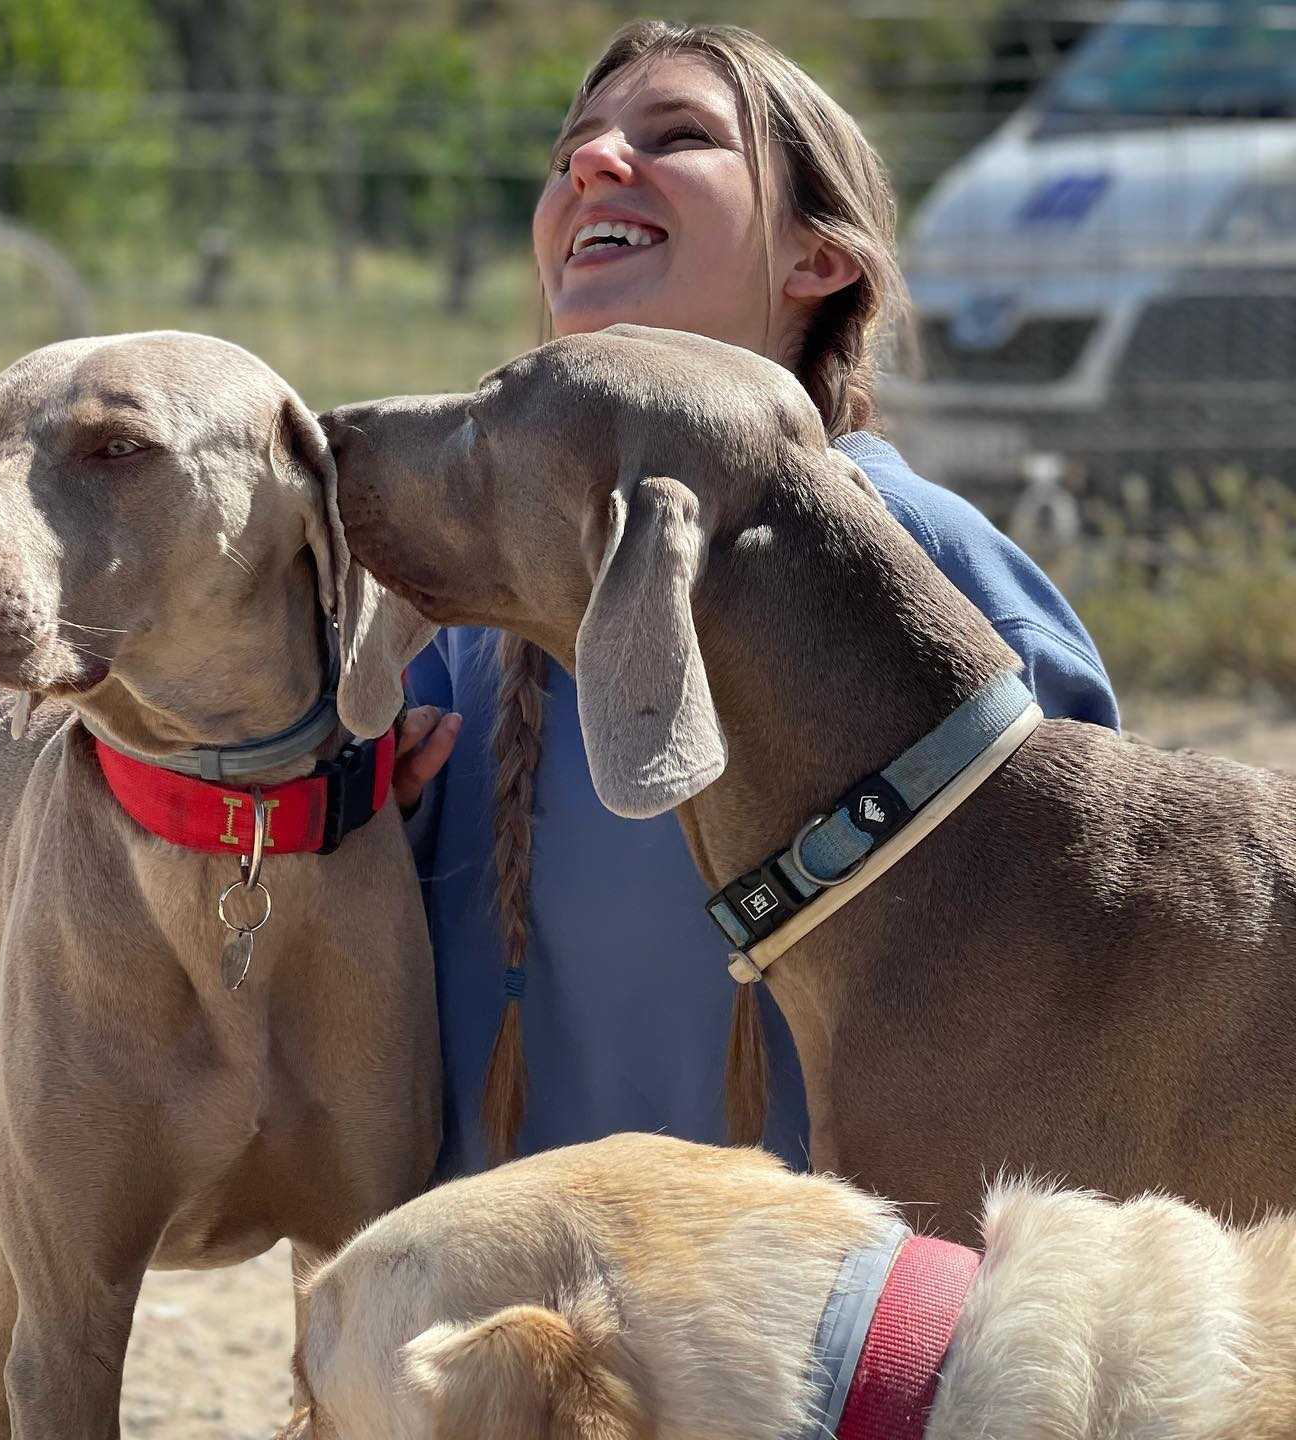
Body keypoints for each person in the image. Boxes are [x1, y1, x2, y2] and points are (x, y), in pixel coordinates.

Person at [387, 20, 1119, 1179]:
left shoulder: (938, 575)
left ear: (816, 261)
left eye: (679, 135)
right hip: (508, 1320)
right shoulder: (465, 595)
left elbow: (1094, 969)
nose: (592, 163)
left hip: (832, 1333)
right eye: (571, 148)